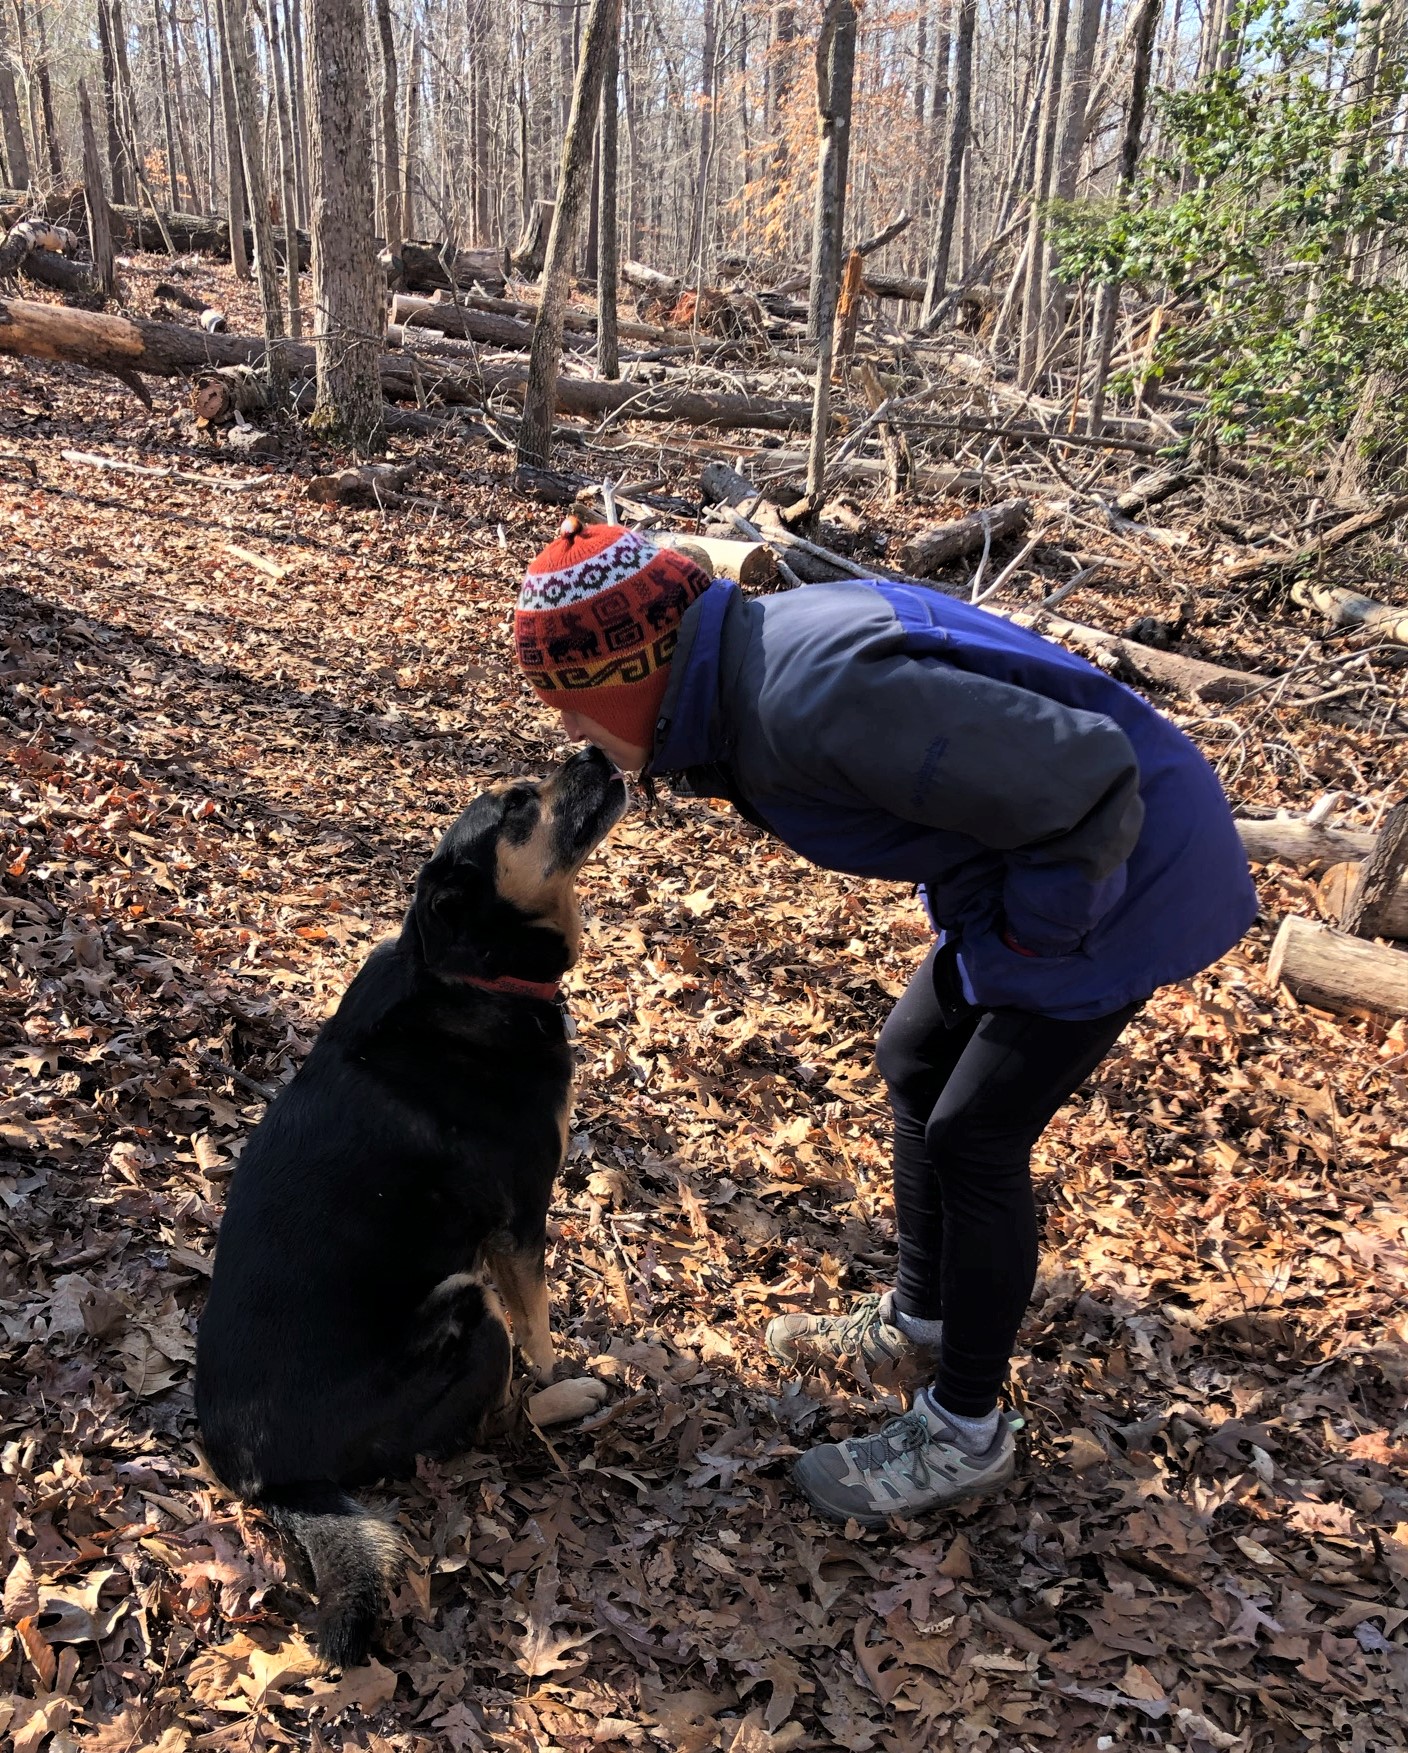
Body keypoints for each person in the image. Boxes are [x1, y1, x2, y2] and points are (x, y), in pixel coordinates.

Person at [513, 517, 1257, 1528]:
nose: (568, 735)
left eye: (569, 705)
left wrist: (1033, 944)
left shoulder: (806, 699)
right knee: (913, 1053)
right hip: (1048, 866)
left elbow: (1084, 783)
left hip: (1122, 875)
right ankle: (922, 1317)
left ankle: (964, 1428)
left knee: (974, 1132)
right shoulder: (753, 670)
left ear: (626, 675)